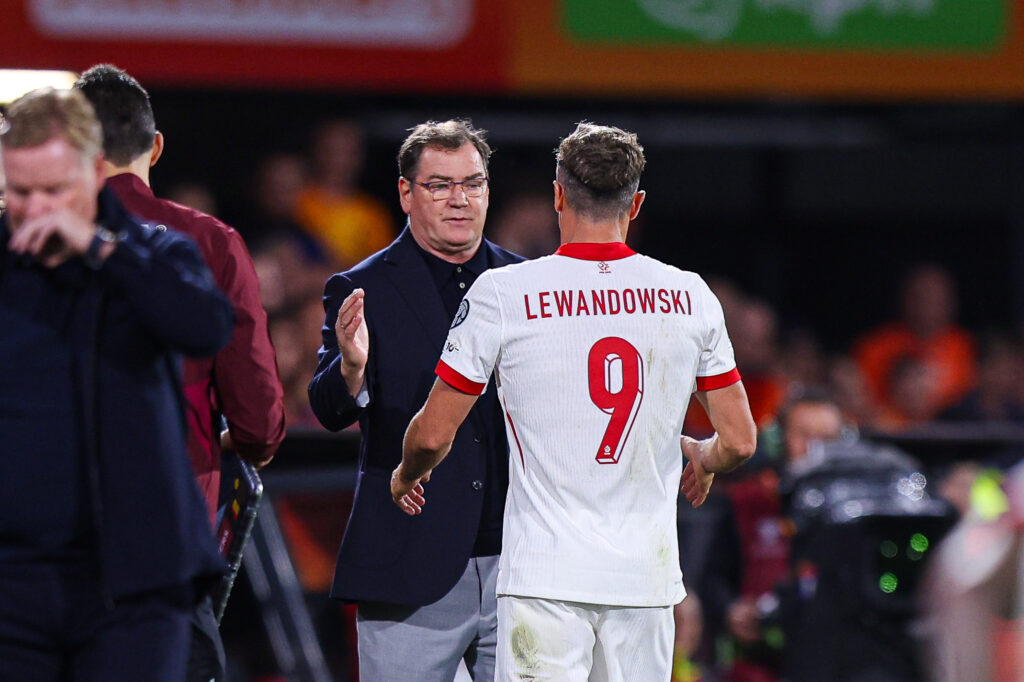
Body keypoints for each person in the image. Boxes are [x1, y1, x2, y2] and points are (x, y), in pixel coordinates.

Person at [394, 122, 757, 681]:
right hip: (644, 580)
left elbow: (434, 433)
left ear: (558, 194)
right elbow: (738, 440)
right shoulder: (688, 294)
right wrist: (703, 459)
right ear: (634, 204)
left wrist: (407, 472)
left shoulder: (503, 292)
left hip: (545, 579)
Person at [0, 87, 232, 680]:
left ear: (93, 170)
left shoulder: (153, 254)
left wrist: (101, 250)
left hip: (131, 586)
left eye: (55, 190)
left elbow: (204, 326)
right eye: (20, 192)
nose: (37, 209)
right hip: (12, 585)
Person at [74, 63, 287, 682]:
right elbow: (256, 413)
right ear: (155, 146)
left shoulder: (24, 240)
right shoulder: (209, 243)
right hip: (165, 530)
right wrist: (244, 444)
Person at [307, 119, 523, 680]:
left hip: (523, 565)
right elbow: (328, 409)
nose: (459, 200)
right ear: (406, 193)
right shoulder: (363, 287)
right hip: (410, 558)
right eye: (439, 185)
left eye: (472, 183)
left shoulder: (527, 284)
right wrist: (352, 369)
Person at [294, 118, 395, 268]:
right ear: (315, 152)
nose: (341, 161)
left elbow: (383, 267)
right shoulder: (294, 202)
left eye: (349, 152)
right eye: (332, 151)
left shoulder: (372, 213)